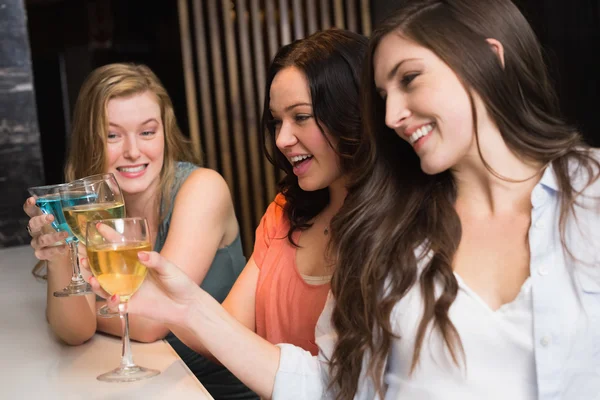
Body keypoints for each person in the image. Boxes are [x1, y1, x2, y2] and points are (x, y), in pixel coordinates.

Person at [95, 1, 600, 399]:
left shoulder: (590, 196)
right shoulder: (387, 228)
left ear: (491, 58)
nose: (393, 113)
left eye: (409, 80)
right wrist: (189, 309)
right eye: (383, 96)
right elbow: (333, 385)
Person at [88, 29, 367, 397]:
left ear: (352, 114)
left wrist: (173, 310)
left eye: (300, 117)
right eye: (276, 121)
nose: (282, 139)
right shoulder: (284, 213)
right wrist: (180, 304)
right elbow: (228, 331)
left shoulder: (397, 230)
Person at [23, 63, 256, 399]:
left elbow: (150, 323)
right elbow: (74, 332)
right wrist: (60, 254)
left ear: (165, 132)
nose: (133, 151)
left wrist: (90, 309)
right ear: (92, 140)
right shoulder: (89, 206)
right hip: (149, 388)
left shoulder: (203, 188)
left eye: (147, 132)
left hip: (214, 390)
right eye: (113, 135)